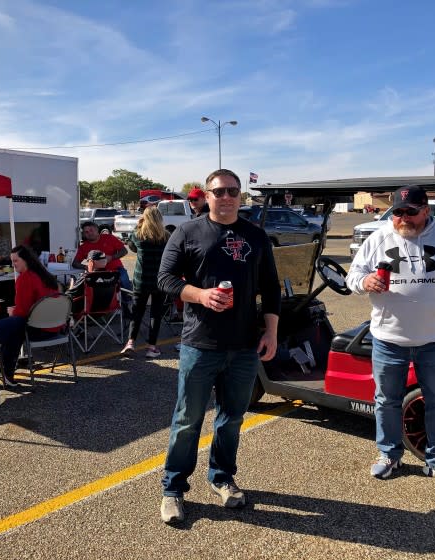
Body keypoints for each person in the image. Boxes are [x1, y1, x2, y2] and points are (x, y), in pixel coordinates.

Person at [157, 169, 281, 524]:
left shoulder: (255, 236)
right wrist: (201, 295)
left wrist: (270, 332)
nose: (226, 197)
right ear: (206, 196)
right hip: (200, 343)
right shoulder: (188, 231)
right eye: (218, 191)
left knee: (231, 419)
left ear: (240, 196)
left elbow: (271, 289)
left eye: (232, 191)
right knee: (187, 420)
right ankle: (173, 488)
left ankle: (222, 478)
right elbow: (164, 279)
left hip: (244, 346)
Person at [346, 185, 435, 491]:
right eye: (398, 212)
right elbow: (352, 275)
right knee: (386, 401)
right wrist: (364, 281)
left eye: (411, 211)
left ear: (426, 210)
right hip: (388, 340)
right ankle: (389, 455)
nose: (403, 219)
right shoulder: (379, 238)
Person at [0, 245, 61, 386]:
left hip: (40, 330)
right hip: (56, 328)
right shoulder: (45, 275)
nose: (13, 265)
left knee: (13, 327)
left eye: (15, 261)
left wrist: (12, 312)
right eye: (12, 261)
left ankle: (4, 371)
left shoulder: (25, 279)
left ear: (25, 260)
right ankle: (3, 370)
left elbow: (22, 312)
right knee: (15, 326)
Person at [120, 206, 169, 358]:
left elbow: (132, 248)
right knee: (155, 313)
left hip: (141, 280)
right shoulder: (166, 236)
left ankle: (130, 342)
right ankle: (152, 347)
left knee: (137, 312)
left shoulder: (137, 234)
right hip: (159, 280)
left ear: (144, 218)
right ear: (160, 219)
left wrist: (139, 224)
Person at [72, 221, 133, 307]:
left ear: (97, 230)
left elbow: (124, 251)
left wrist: (111, 257)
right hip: (96, 273)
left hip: (115, 270)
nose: (89, 233)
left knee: (124, 280)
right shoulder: (84, 247)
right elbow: (75, 263)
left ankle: (127, 304)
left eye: (91, 230)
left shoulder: (109, 238)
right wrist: (86, 266)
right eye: (86, 232)